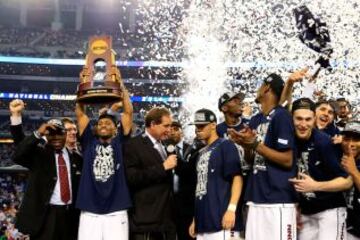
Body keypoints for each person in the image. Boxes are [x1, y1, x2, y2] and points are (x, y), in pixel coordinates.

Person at [228, 73, 298, 240]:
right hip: (256, 196)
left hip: (278, 199)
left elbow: (288, 160)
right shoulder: (255, 120)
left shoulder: (281, 116)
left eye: (260, 86)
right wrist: (245, 146)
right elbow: (251, 160)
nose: (257, 90)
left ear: (266, 87)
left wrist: (255, 144)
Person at [288, 98, 352, 240]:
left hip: (330, 209)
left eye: (307, 119)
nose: (303, 124)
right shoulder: (289, 139)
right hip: (306, 211)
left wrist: (315, 185)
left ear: (313, 118)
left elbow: (347, 181)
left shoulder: (324, 142)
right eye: (299, 119)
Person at [75, 87, 133, 240]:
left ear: (115, 128)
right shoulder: (88, 142)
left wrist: (121, 86)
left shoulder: (120, 142)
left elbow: (128, 113)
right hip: (89, 210)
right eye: (100, 123)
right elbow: (80, 114)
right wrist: (82, 85)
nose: (103, 125)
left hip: (116, 210)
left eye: (108, 123)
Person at [12, 118, 82, 240]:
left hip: (70, 216)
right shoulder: (39, 155)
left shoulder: (77, 158)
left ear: (65, 134)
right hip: (45, 217)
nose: (55, 137)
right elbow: (18, 154)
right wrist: (38, 133)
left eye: (59, 133)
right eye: (51, 134)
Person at [188, 108, 243, 240]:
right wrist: (196, 218)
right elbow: (201, 187)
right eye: (196, 126)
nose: (198, 129)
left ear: (213, 125)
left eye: (202, 125)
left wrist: (231, 209)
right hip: (203, 223)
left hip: (222, 222)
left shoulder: (226, 145)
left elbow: (237, 178)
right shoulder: (200, 153)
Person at [124, 107, 177, 240]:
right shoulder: (134, 145)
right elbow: (132, 178)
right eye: (166, 126)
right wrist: (163, 167)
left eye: (170, 126)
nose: (169, 129)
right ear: (153, 124)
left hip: (167, 218)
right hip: (146, 221)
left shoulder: (166, 144)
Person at [166, 121, 194, 240]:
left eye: (176, 129)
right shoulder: (160, 149)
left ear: (182, 131)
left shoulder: (193, 149)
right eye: (170, 129)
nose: (172, 132)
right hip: (167, 201)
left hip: (186, 201)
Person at [340, 120, 360, 240]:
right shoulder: (335, 157)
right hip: (342, 226)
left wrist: (353, 171)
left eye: (356, 140)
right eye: (347, 139)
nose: (350, 144)